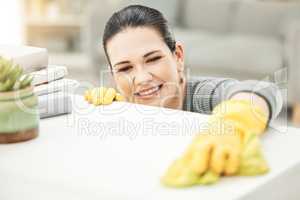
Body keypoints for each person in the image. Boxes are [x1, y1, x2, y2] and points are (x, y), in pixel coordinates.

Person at [84, 5, 282, 177]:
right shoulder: (121, 107)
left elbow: (264, 90)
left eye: (153, 59)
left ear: (178, 56)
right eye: (125, 69)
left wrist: (233, 123)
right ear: (113, 76)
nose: (142, 78)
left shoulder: (202, 96)